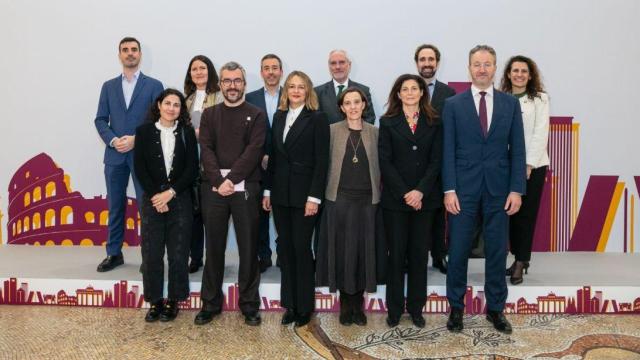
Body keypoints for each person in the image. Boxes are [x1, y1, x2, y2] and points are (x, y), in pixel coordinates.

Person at [442, 45, 526, 334]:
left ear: (494, 68)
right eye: (477, 64)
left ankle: (496, 309)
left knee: (497, 250)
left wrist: (517, 190)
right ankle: (455, 308)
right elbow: (448, 150)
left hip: (500, 190)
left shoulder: (509, 104)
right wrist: (449, 189)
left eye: (487, 64)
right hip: (462, 190)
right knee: (458, 249)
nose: (482, 69)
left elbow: (518, 150)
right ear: (469, 68)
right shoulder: (453, 105)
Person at [193, 62, 266, 327]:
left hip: (245, 188)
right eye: (227, 81)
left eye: (237, 80)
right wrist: (219, 180)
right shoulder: (210, 114)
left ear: (244, 84)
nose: (232, 85)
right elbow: (206, 149)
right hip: (214, 189)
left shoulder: (257, 115)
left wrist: (231, 179)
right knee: (213, 248)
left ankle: (249, 305)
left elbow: (254, 151)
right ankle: (210, 304)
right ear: (220, 84)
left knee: (248, 249)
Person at [262, 71, 329, 327]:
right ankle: (289, 304)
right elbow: (273, 157)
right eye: (292, 86)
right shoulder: (279, 117)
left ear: (308, 91)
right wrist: (268, 191)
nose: (296, 91)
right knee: (286, 250)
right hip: (280, 195)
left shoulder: (317, 119)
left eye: (301, 87)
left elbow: (322, 161)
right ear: (286, 90)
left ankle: (304, 307)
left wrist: (314, 197)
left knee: (302, 249)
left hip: (305, 196)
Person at [94, 37, 164, 272]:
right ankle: (114, 253)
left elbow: (159, 120)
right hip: (115, 156)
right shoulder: (108, 86)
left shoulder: (155, 85)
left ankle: (150, 257)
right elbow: (100, 119)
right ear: (119, 55)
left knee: (147, 206)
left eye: (134, 50)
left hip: (142, 155)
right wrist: (114, 140)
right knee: (115, 205)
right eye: (125, 50)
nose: (130, 53)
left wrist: (136, 139)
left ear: (140, 54)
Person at [379, 74, 442, 328]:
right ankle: (394, 310)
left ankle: (416, 308)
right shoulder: (387, 122)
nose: (410, 93)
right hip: (396, 201)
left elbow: (436, 161)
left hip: (425, 201)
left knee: (418, 256)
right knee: (395, 257)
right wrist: (406, 192)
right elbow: (385, 161)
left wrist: (420, 192)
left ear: (421, 93)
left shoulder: (434, 121)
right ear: (398, 94)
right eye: (405, 89)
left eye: (414, 88)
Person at [316, 88, 380, 326]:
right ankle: (345, 304)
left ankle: (359, 306)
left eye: (357, 102)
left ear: (364, 105)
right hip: (339, 201)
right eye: (347, 103)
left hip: (367, 203)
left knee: (364, 253)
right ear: (341, 107)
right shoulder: (332, 131)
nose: (353, 107)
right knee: (342, 253)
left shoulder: (375, 132)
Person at [133, 88, 198, 322]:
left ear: (181, 110)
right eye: (167, 103)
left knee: (179, 254)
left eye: (177, 105)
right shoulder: (143, 132)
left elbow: (191, 169)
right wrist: (156, 196)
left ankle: (174, 300)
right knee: (151, 254)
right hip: (152, 202)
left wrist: (170, 193)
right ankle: (155, 301)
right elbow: (139, 168)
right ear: (159, 105)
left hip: (179, 200)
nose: (172, 108)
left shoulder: (187, 133)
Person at [500, 55, 550, 285]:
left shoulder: (540, 99)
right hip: (505, 166)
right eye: (515, 70)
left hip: (534, 166)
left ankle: (521, 261)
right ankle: (516, 257)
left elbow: (540, 134)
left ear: (530, 75)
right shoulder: (501, 98)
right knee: (510, 214)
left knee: (526, 215)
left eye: (524, 71)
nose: (519, 74)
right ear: (508, 74)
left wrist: (527, 164)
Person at [414, 44, 457, 274]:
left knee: (440, 212)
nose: (427, 63)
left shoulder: (448, 94)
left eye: (431, 59)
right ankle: (415, 256)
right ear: (417, 63)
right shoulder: (408, 88)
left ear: (437, 63)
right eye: (422, 59)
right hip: (412, 163)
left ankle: (439, 255)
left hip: (439, 161)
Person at [183, 55, 224, 274]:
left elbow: (224, 126)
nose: (199, 72)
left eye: (203, 68)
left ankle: (214, 259)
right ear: (190, 74)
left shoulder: (220, 96)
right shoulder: (186, 99)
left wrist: (201, 134)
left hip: (213, 163)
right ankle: (195, 257)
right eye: (194, 69)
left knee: (212, 215)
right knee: (193, 213)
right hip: (191, 163)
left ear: (210, 71)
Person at [245, 54, 283, 273]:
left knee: (281, 211)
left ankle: (282, 253)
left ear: (281, 72)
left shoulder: (292, 95)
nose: (270, 72)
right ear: (261, 73)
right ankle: (263, 254)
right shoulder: (250, 98)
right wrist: (258, 154)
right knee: (259, 213)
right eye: (266, 68)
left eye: (274, 68)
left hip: (282, 164)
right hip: (256, 165)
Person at [315, 50, 376, 124]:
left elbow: (369, 119)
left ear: (349, 65)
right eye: (333, 63)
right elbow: (316, 122)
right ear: (329, 67)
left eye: (342, 62)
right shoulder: (317, 92)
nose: (337, 67)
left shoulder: (363, 90)